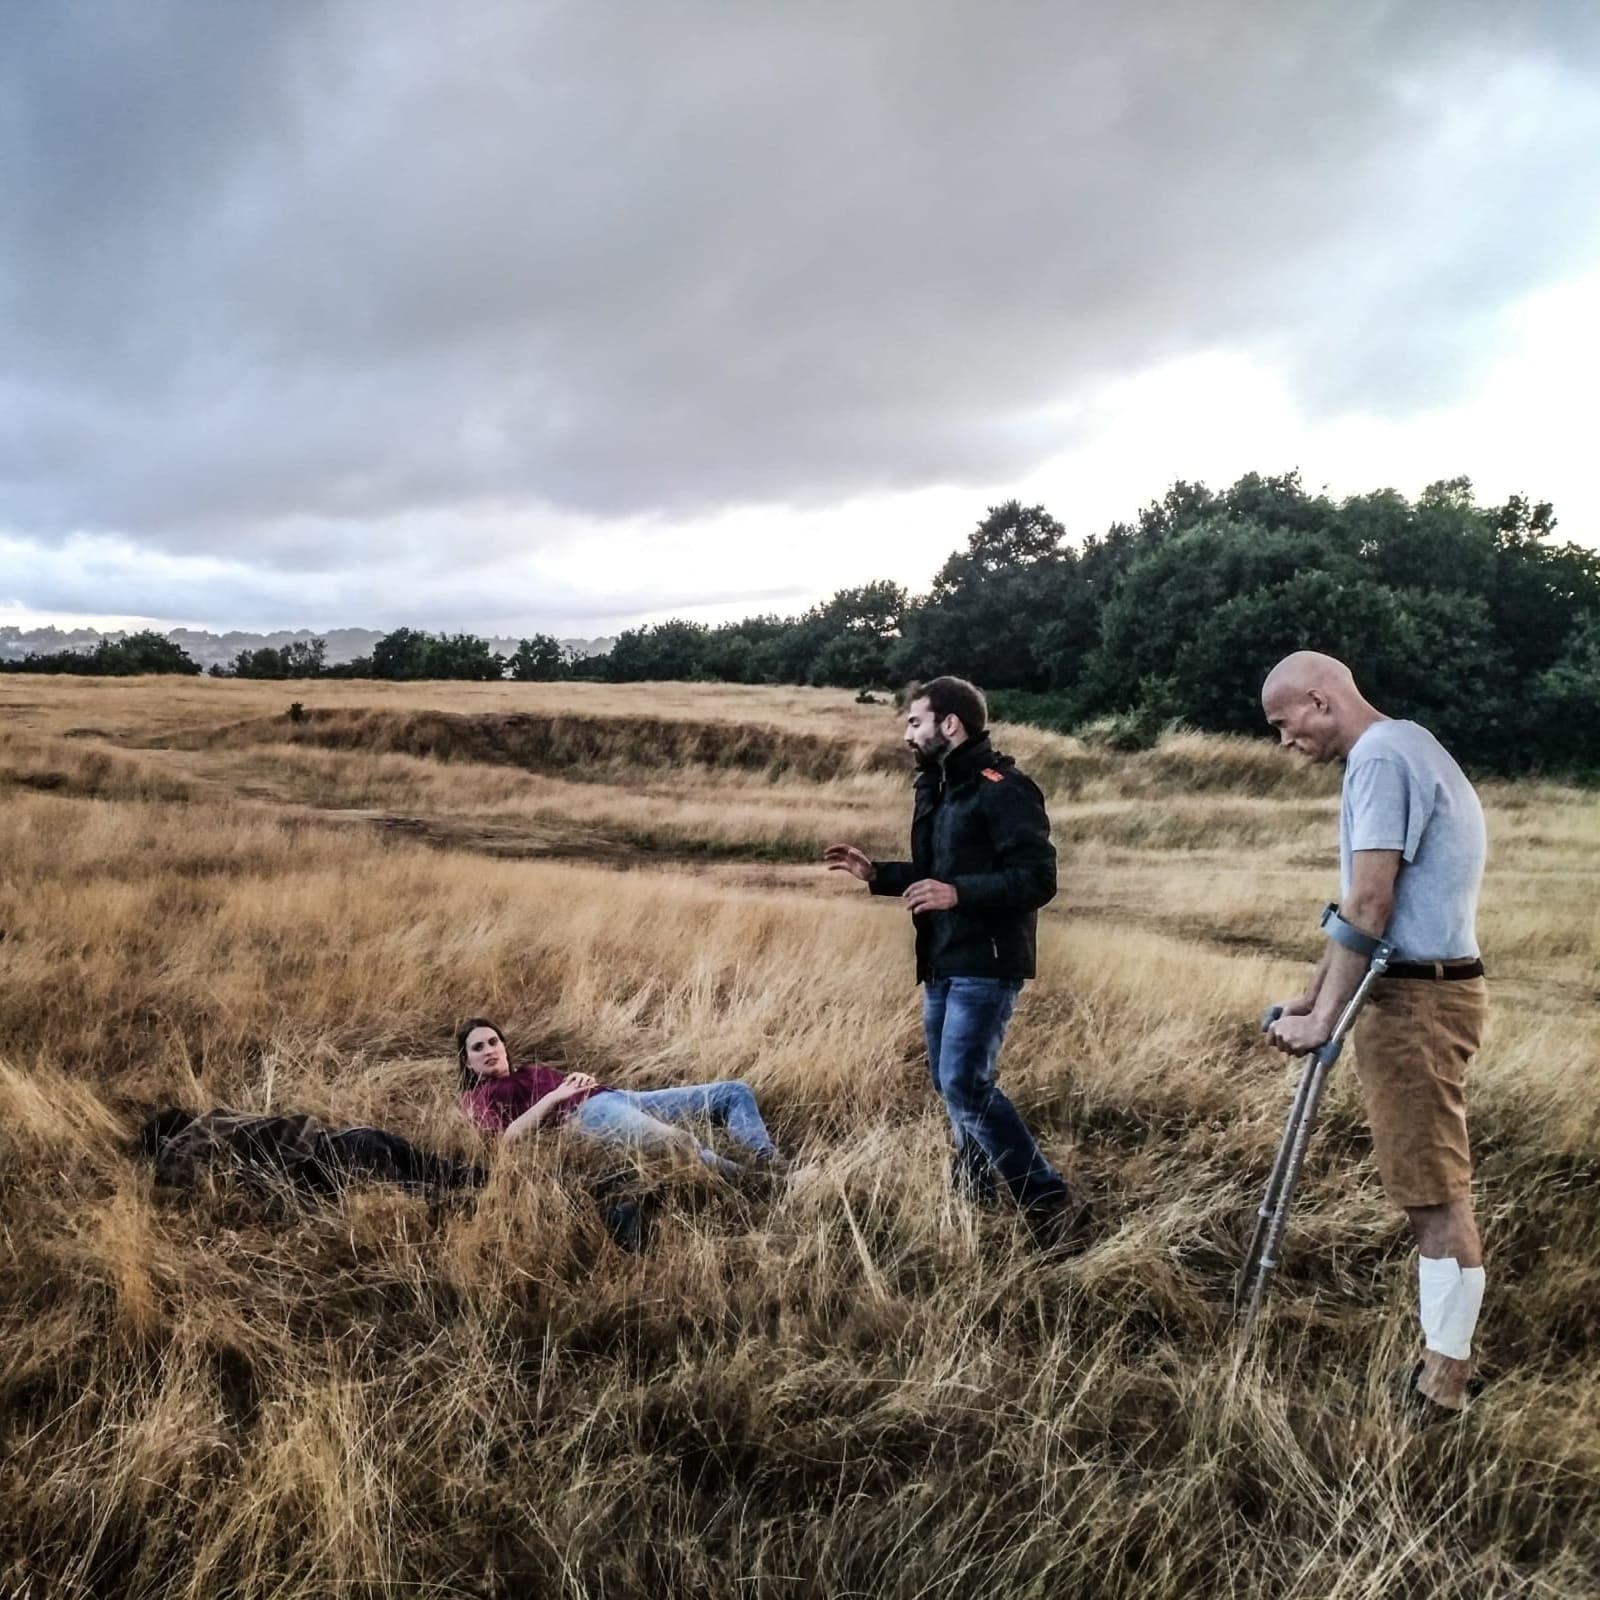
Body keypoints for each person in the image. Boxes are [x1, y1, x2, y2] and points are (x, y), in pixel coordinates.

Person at [1261, 651, 1489, 1416]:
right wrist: (1313, 995)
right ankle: (1443, 1366)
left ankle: (1444, 1386)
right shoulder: (1401, 747)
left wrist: (1325, 1018)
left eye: (1285, 722)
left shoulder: (1382, 758)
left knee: (1433, 1195)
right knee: (1427, 1186)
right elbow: (1358, 912)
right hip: (1412, 989)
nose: (1284, 741)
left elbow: (1370, 905)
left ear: (1320, 700)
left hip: (1418, 1000)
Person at [824, 676, 1085, 1248]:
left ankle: (1048, 1201)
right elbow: (934, 875)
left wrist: (959, 894)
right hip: (941, 957)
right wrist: (878, 875)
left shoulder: (1004, 789)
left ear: (950, 724)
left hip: (987, 960)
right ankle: (974, 1191)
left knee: (964, 1082)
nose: (907, 735)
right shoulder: (935, 788)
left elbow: (1037, 880)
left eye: (915, 722)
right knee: (951, 1084)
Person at [455, 1017, 791, 1182]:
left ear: (504, 1045)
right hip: (587, 1115)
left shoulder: (529, 1070)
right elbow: (507, 1138)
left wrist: (577, 1079)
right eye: (478, 1047)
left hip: (617, 1096)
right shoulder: (477, 1096)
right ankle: (769, 1185)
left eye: (493, 1042)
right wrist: (557, 1096)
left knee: (733, 1091)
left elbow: (563, 1086)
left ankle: (769, 1160)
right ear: (467, 1061)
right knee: (679, 1143)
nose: (489, 1050)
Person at [137, 1106, 485, 1196]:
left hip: (333, 1161)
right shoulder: (222, 1117)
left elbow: (176, 1184)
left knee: (427, 1197)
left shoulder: (187, 1140)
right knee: (448, 1171)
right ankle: (502, 1184)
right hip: (354, 1136)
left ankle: (488, 1206)